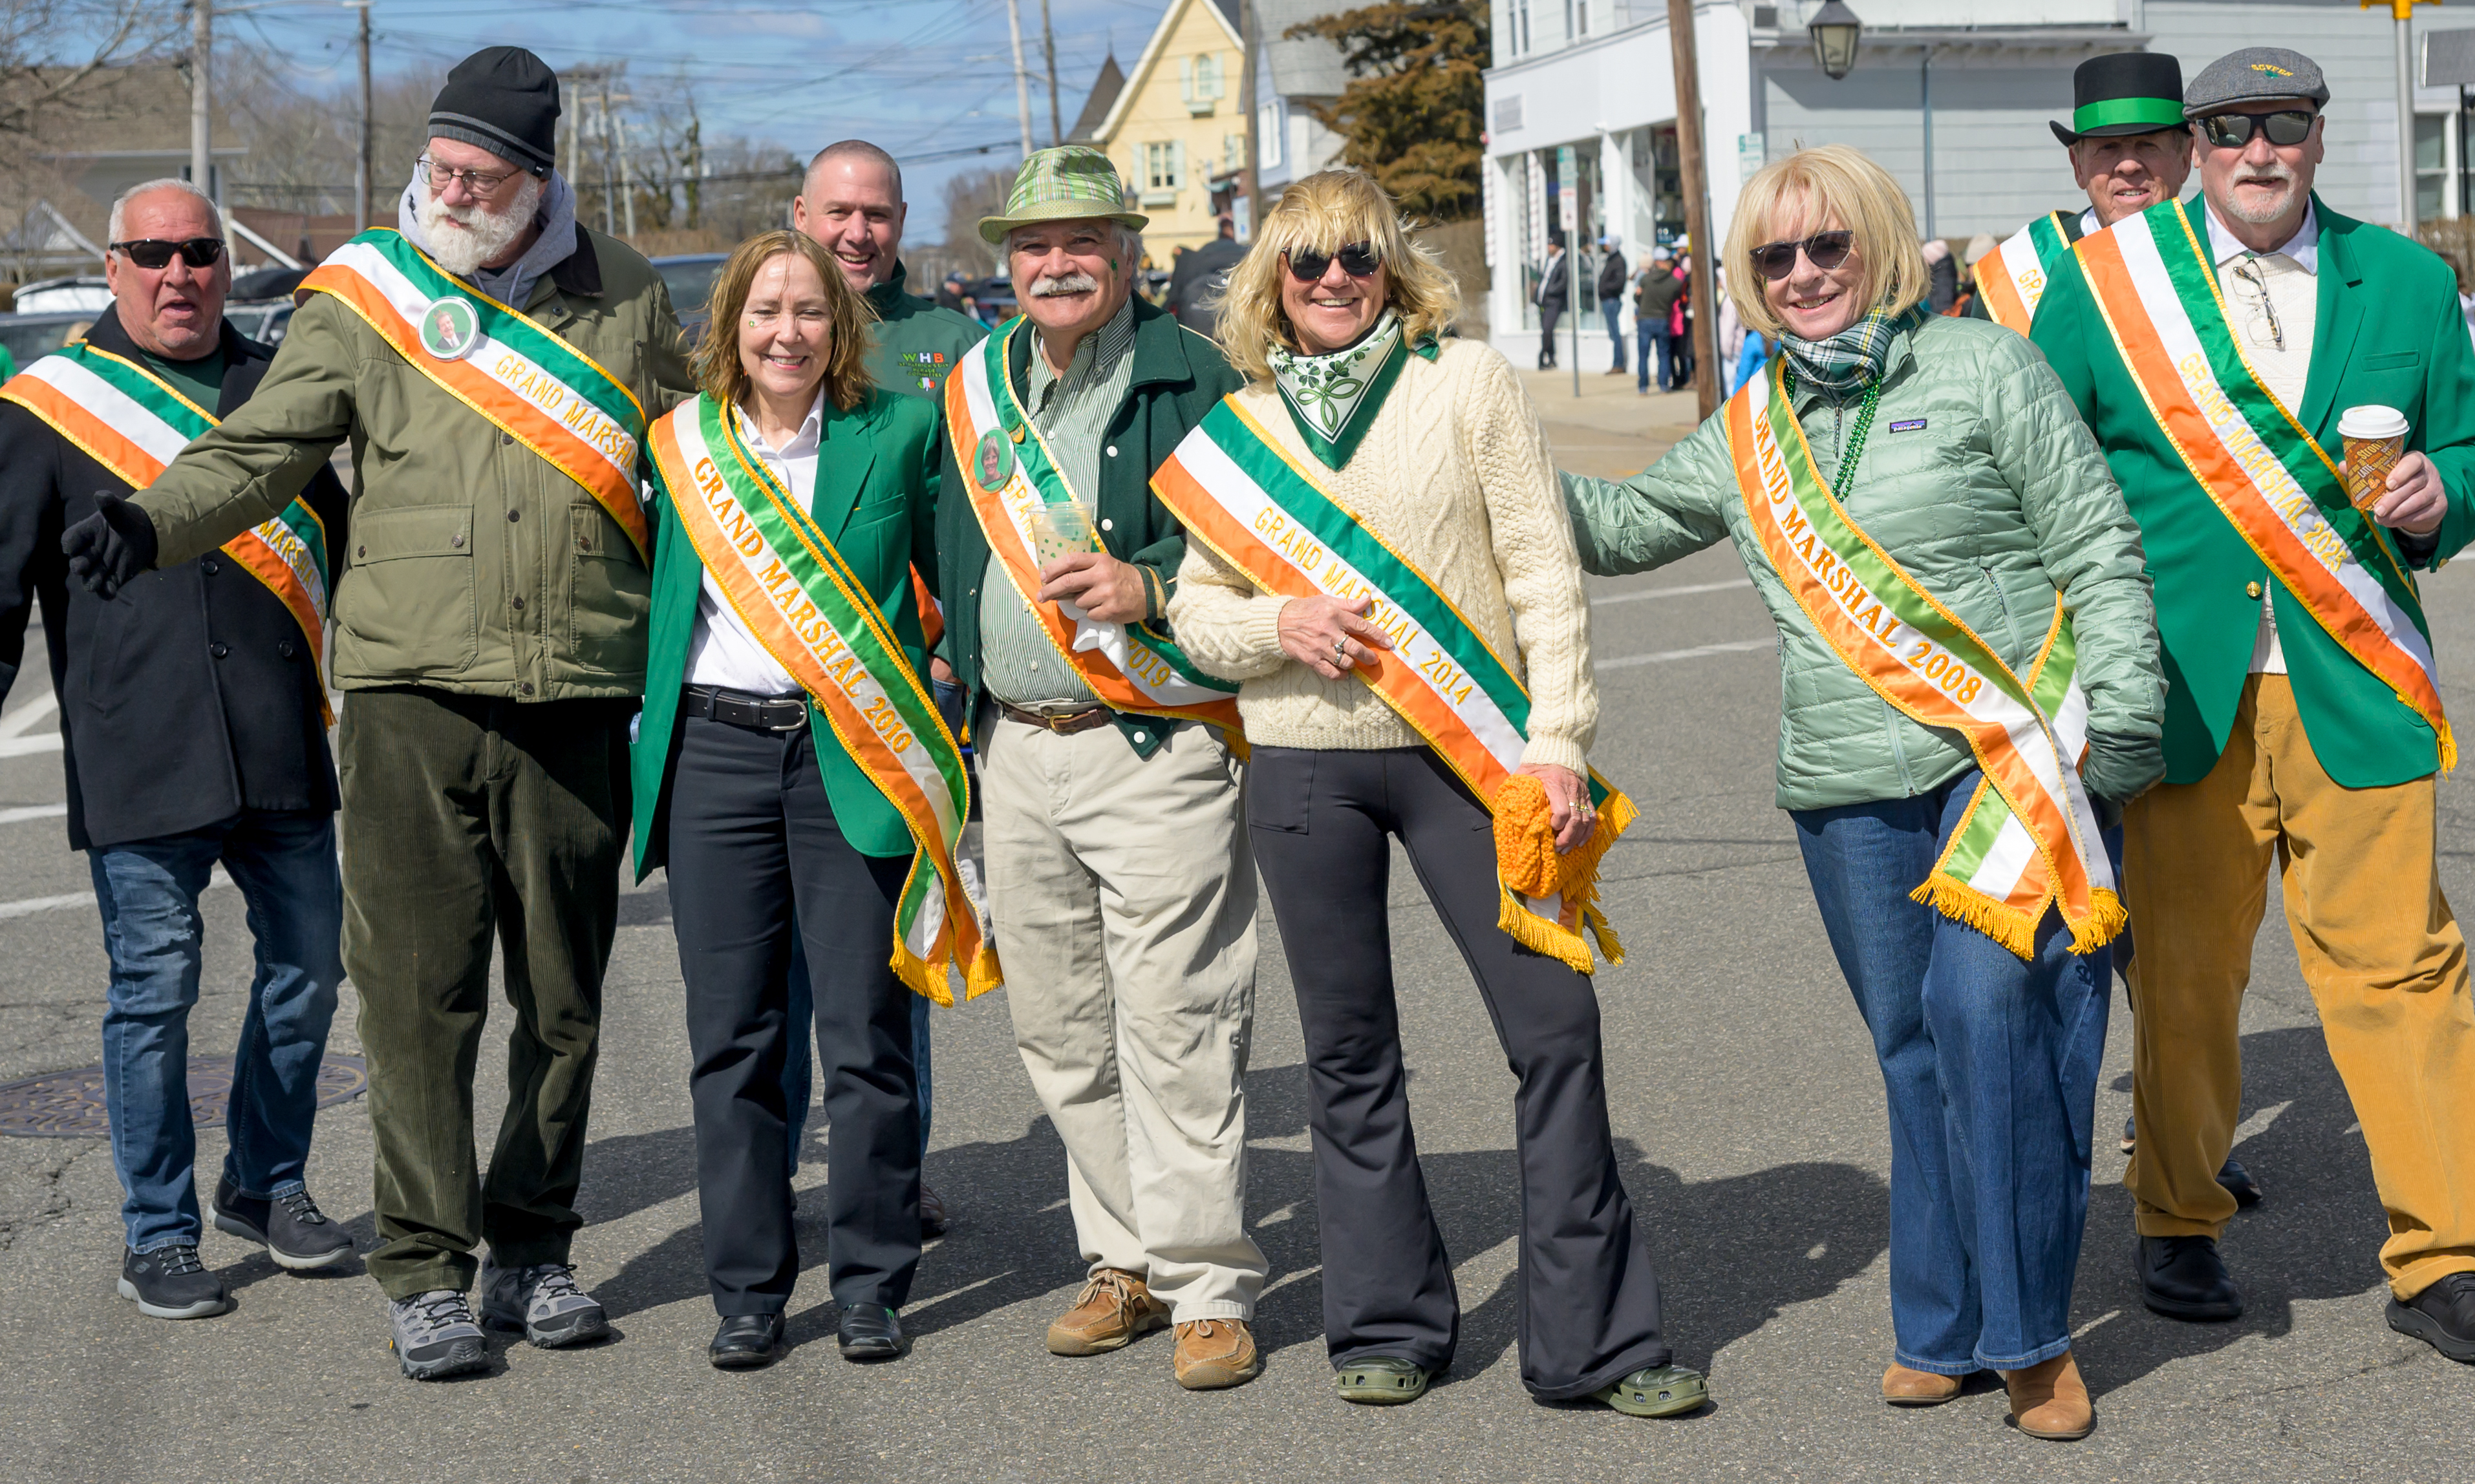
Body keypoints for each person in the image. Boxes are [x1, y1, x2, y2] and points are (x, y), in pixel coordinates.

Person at [61, 46, 694, 1381]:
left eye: (483, 175)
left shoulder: (625, 295)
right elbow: (268, 443)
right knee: (418, 1001)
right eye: (442, 166)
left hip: (579, 687)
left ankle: (534, 1244)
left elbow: (706, 460)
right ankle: (425, 1267)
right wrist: (153, 518)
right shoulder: (366, 291)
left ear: (540, 180)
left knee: (568, 1002)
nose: (453, 190)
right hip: (409, 692)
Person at [1563, 145, 2165, 1439]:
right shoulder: (1745, 432)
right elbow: (1612, 532)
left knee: (1987, 1015)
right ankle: (1941, 1324)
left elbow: (2095, 543)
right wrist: (1472, 455)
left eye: (1826, 245)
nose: (1803, 274)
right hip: (1842, 785)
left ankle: (2031, 1338)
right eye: (1775, 257)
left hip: (2004, 762)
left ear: (1878, 245)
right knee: (1913, 1052)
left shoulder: (1983, 366)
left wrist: (2118, 717)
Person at [1162, 167, 1705, 1419]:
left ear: (1395, 267)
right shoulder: (1238, 434)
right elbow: (1191, 611)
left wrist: (1559, 740)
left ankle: (1597, 1343)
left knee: (1553, 1028)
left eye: (1359, 257)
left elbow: (1542, 568)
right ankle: (1388, 1317)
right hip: (1305, 765)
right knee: (1349, 1055)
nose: (1335, 282)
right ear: (1272, 287)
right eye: (1309, 264)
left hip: (1476, 761)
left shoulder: (1466, 383)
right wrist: (1277, 622)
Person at [2031, 47, 2475, 1363]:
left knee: (2404, 966)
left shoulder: (2407, 278)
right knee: (2182, 971)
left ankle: (2443, 1249)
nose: (2261, 149)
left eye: (2285, 125)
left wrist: (2448, 495)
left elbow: (2466, 442)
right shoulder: (2104, 287)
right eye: (2233, 129)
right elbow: (2039, 459)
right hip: (2178, 688)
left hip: (2356, 679)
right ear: (2200, 144)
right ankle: (2176, 1215)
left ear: (2320, 139)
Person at [931, 145, 1265, 1391]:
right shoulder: (973, 389)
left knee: (1178, 1018)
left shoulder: (1201, 379)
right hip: (1016, 749)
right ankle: (1121, 1260)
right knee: (1061, 1028)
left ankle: (1208, 1286)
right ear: (1006, 262)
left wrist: (1154, 586)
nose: (1056, 262)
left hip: (1156, 742)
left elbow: (1265, 555)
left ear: (1127, 255)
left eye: (1082, 242)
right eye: (1034, 244)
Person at [0, 179, 353, 1322]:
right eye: (151, 253)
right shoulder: (44, 406)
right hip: (137, 749)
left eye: (199, 251)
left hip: (279, 743)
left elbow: (341, 546)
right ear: (111, 266)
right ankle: (157, 1230)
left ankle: (265, 1181)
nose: (179, 272)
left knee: (308, 975)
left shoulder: (276, 387)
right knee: (154, 996)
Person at [633, 230, 979, 1370]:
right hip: (717, 760)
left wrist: (948, 693)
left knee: (865, 1035)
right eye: (766, 311)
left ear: (842, 324)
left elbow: (956, 583)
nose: (788, 332)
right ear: (730, 325)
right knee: (732, 1038)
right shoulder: (679, 446)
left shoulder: (898, 430)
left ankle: (872, 1277)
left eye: (811, 312)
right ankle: (746, 1287)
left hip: (852, 756)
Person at [789, 136, 991, 1235]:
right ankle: (770, 1176)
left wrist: (956, 644)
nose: (858, 231)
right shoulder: (756, 325)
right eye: (838, 211)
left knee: (894, 937)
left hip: (905, 691)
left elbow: (975, 515)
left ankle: (892, 1172)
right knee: (772, 960)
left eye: (877, 213)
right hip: (770, 694)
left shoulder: (950, 342)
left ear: (901, 222)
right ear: (800, 213)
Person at [1969, 52, 2190, 334]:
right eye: (2108, 148)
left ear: (2186, 159)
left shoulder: (2224, 255)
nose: (2129, 165)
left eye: (2148, 145)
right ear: (2078, 166)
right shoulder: (2013, 275)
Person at [1173, 213, 1247, 336]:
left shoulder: (1199, 256)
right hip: (1236, 335)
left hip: (1193, 334)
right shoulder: (1243, 255)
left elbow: (1174, 299)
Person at [1635, 247, 1683, 393]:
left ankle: (1643, 387)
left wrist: (1640, 297)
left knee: (1643, 355)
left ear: (1656, 262)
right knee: (1663, 354)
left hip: (1645, 319)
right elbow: (1676, 298)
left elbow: (1637, 297)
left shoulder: (1645, 279)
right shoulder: (1675, 283)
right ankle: (1663, 385)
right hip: (1662, 319)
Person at [1597, 232, 1628, 374]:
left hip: (1612, 300)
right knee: (1612, 332)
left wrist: (1606, 288)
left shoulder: (1618, 261)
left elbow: (1619, 282)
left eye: (1607, 243)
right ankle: (1617, 362)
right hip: (1607, 300)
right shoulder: (1611, 260)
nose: (1605, 246)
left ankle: (1619, 363)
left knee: (1615, 333)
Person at [1535, 235, 1568, 369]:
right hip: (1544, 302)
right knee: (1546, 330)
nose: (1549, 248)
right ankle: (1551, 358)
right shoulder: (1550, 261)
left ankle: (1542, 356)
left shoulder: (1563, 261)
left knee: (1547, 330)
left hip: (1554, 301)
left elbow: (1564, 282)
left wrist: (1550, 291)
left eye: (1551, 245)